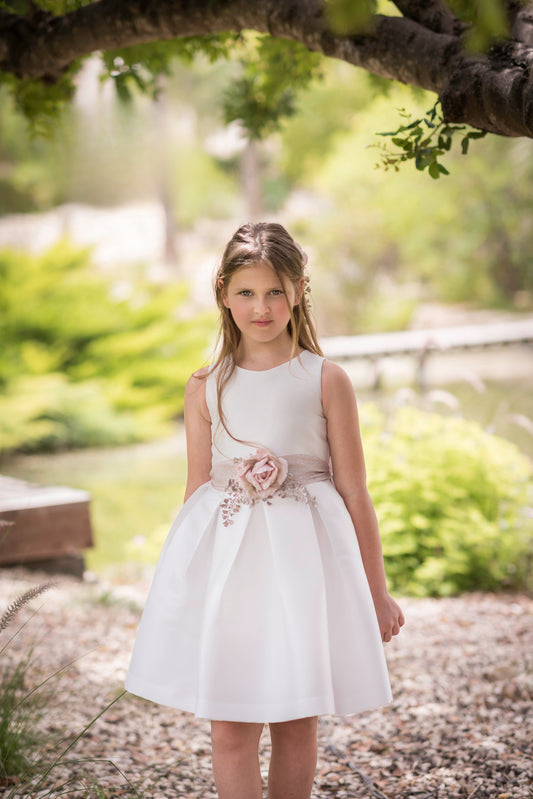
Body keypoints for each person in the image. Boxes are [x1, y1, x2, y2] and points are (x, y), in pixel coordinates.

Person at [126, 222, 405, 799]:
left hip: (303, 566)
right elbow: (196, 490)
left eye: (275, 291)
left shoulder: (325, 379)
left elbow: (355, 492)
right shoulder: (205, 385)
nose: (261, 307)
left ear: (299, 290)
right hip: (231, 567)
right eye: (247, 293)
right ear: (223, 294)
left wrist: (375, 590)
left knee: (296, 718)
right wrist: (181, 587)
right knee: (229, 726)